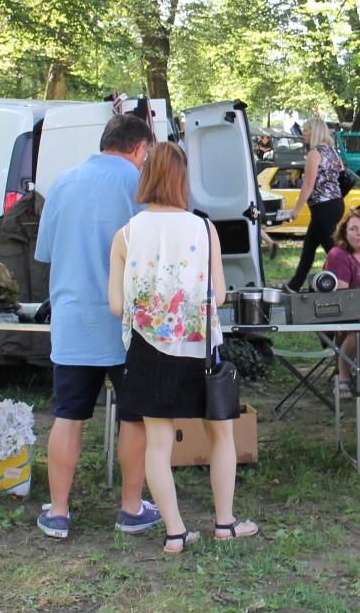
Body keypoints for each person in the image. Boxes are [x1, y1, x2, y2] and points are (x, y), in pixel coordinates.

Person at [110, 142, 258, 554]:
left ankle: (175, 532)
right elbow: (221, 295)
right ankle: (225, 523)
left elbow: (117, 305)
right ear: (181, 180)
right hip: (199, 350)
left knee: (158, 444)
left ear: (146, 178)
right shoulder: (202, 227)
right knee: (221, 437)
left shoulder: (125, 234)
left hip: (147, 349)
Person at [33, 113, 161, 541]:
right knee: (134, 418)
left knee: (67, 417)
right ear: (140, 149)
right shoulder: (138, 186)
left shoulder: (62, 183)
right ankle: (130, 508)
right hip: (127, 323)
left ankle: (58, 513)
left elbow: (46, 255)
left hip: (72, 320)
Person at [322, 208, 360, 396]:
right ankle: (343, 376)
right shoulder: (339, 255)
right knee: (356, 327)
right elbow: (342, 294)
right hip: (342, 313)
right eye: (354, 229)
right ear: (344, 234)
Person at [285, 116, 346, 292]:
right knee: (309, 248)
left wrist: (296, 209)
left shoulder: (315, 153)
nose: (303, 133)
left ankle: (348, 282)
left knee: (333, 252)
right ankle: (294, 285)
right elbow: (340, 176)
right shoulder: (333, 152)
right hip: (335, 203)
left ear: (315, 132)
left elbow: (309, 184)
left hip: (322, 206)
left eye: (306, 130)